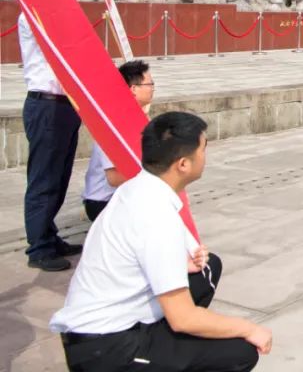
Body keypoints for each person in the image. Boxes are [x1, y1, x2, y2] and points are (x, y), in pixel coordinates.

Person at [50, 112, 272, 371]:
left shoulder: (139, 188)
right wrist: (250, 328)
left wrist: (181, 262)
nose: (205, 156)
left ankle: (166, 346)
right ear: (183, 164)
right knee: (240, 350)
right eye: (203, 149)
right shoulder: (156, 216)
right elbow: (183, 319)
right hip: (107, 347)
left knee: (207, 268)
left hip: (106, 329)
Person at [20, 0, 84, 272]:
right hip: (46, 105)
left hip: (65, 105)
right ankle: (39, 247)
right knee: (44, 178)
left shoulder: (56, 12)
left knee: (59, 175)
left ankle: (49, 234)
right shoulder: (35, 13)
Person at [83, 60, 155, 221]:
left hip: (125, 194)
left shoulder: (138, 118)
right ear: (134, 89)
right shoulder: (113, 124)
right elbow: (114, 178)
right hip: (103, 202)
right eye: (150, 84)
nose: (153, 88)